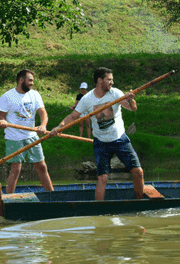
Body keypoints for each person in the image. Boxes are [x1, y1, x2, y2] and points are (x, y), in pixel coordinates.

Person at [52, 67, 144, 201]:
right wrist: (59, 127)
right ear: (100, 80)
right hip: (101, 143)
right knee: (103, 178)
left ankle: (140, 202)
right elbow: (73, 116)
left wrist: (131, 99)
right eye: (109, 79)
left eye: (112, 79)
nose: (112, 82)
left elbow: (132, 108)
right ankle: (98, 210)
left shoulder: (115, 93)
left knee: (138, 172)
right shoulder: (87, 99)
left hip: (120, 140)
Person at [0, 69, 55, 194]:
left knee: (42, 166)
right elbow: (1, 116)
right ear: (21, 80)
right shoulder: (7, 96)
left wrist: (43, 125)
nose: (32, 83)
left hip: (31, 136)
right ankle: (9, 198)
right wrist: (2, 122)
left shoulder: (35, 95)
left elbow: (43, 113)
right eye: (30, 80)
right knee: (16, 169)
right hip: (14, 138)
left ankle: (52, 194)